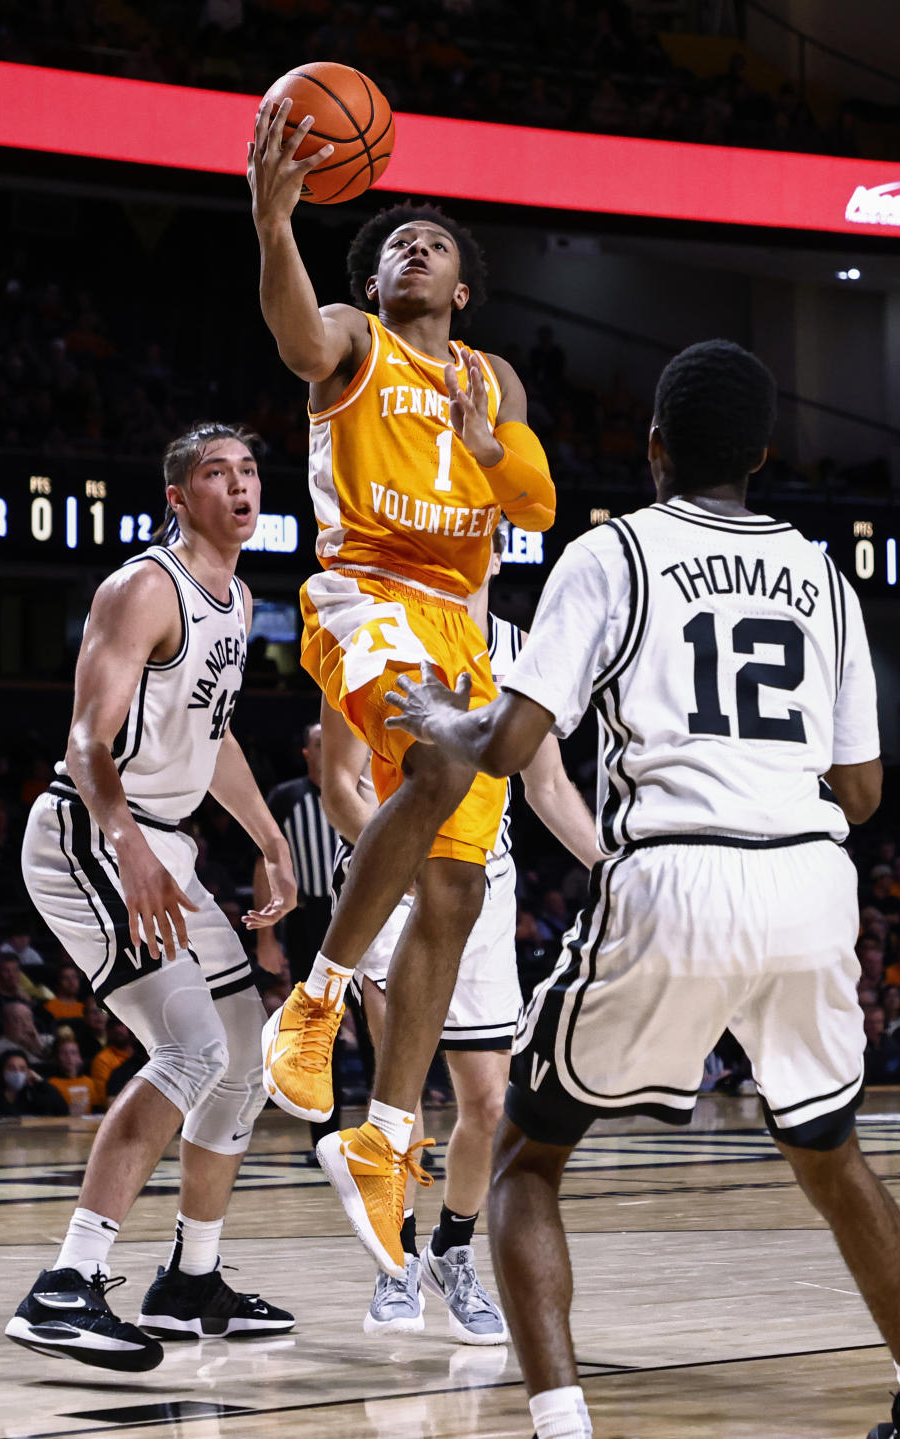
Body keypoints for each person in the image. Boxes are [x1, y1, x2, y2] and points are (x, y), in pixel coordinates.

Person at [385, 340, 900, 1439]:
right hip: (811, 879)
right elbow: (864, 790)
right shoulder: (826, 575)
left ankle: (563, 1427)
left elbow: (514, 740)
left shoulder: (616, 550)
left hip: (679, 869)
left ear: (653, 450)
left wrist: (444, 719)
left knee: (530, 1156)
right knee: (831, 1150)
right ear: (765, 455)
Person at [249, 87, 556, 1276]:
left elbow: (533, 503)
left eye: (428, 245)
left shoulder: (492, 382)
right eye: (391, 246)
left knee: (456, 892)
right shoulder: (351, 340)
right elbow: (293, 335)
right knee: (436, 760)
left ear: (462, 289)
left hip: (464, 631)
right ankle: (317, 1000)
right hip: (367, 596)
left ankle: (383, 1133)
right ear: (373, 285)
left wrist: (492, 449)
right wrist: (274, 226)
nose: (406, 251)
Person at [7, 422, 299, 1373]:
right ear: (180, 497)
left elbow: (213, 740)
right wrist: (128, 844)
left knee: (245, 1054)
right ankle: (66, 1285)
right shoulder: (145, 586)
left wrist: (268, 838)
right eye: (217, 474)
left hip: (160, 843)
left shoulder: (241, 595)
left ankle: (191, 1280)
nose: (240, 486)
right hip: (93, 831)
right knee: (192, 1048)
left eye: (249, 471)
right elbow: (89, 739)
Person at [320, 525, 601, 1339]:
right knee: (394, 1096)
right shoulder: (365, 625)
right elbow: (340, 782)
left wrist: (608, 862)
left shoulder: (519, 650)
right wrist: (411, 860)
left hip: (485, 879)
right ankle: (395, 1263)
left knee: (487, 1101)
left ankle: (451, 1249)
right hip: (395, 885)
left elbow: (547, 785)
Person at [252, 721, 340, 1155]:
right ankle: (323, 1137)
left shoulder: (363, 787)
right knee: (316, 1028)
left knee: (378, 1023)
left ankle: (395, 1134)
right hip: (308, 918)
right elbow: (263, 866)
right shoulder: (287, 798)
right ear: (306, 752)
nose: (327, 749)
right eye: (319, 743)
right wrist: (266, 939)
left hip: (357, 914)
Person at [0, 1049, 69, 1118]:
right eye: (12, 1068)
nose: (17, 1073)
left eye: (22, 1069)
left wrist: (41, 1081)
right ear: (2, 1071)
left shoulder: (32, 1093)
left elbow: (62, 1110)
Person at [49, 1035, 99, 1116]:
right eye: (64, 1053)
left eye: (73, 1053)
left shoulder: (89, 1082)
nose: (69, 1057)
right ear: (58, 1057)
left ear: (80, 1058)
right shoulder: (52, 1083)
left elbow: (96, 1110)